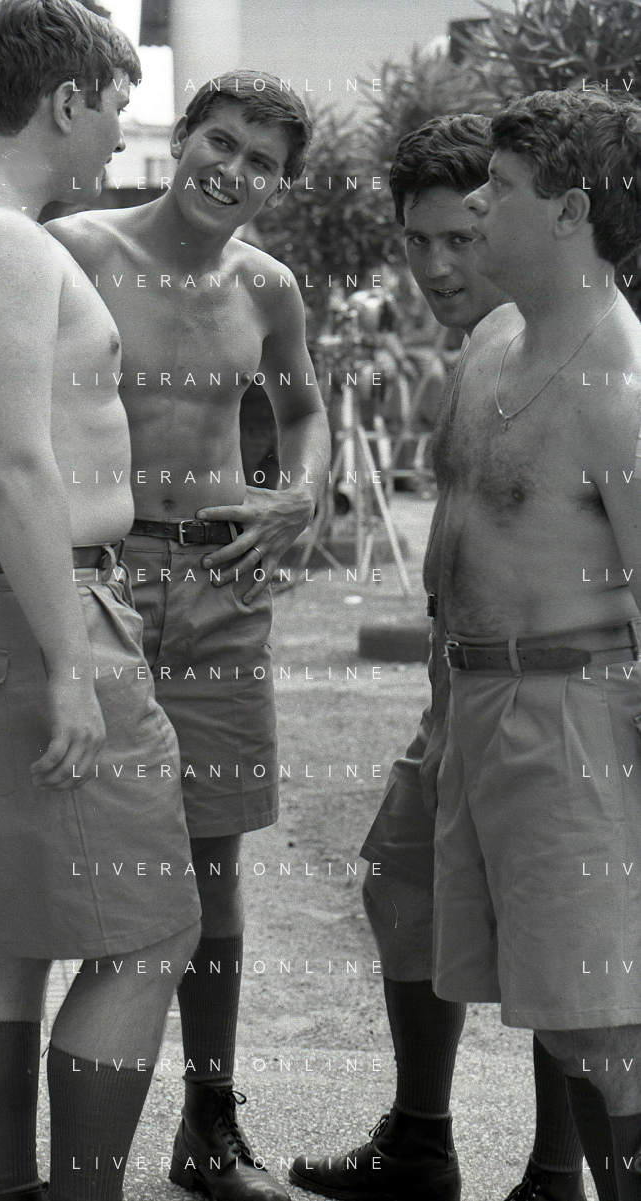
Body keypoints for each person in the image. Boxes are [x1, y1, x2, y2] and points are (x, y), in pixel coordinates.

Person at [0, 2, 202, 1199]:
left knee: (5, 927)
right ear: (66, 100)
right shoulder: (0, 240)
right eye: (115, 109)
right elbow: (14, 464)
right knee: (151, 928)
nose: (118, 136)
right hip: (30, 617)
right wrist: (70, 663)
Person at [290, 114, 593, 1201]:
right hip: (455, 693)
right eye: (416, 241)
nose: (434, 266)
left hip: (550, 699)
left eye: (461, 237)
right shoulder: (482, 348)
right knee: (400, 877)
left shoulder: (574, 342)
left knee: (557, 943)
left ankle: (554, 1172)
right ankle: (422, 1140)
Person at [46, 70, 330, 1201]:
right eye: (222, 142)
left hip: (216, 587)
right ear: (182, 139)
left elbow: (303, 411)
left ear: (279, 184)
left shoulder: (268, 286)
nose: (235, 171)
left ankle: (209, 1122)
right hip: (92, 581)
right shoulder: (75, 249)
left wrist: (301, 495)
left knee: (212, 867)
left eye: (263, 162)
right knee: (26, 858)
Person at [429, 87, 641, 1201]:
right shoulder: (492, 342)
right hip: (477, 713)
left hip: (575, 728)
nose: (475, 202)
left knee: (611, 1029)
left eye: (499, 186)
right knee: (564, 1022)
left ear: (568, 211)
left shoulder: (623, 388)